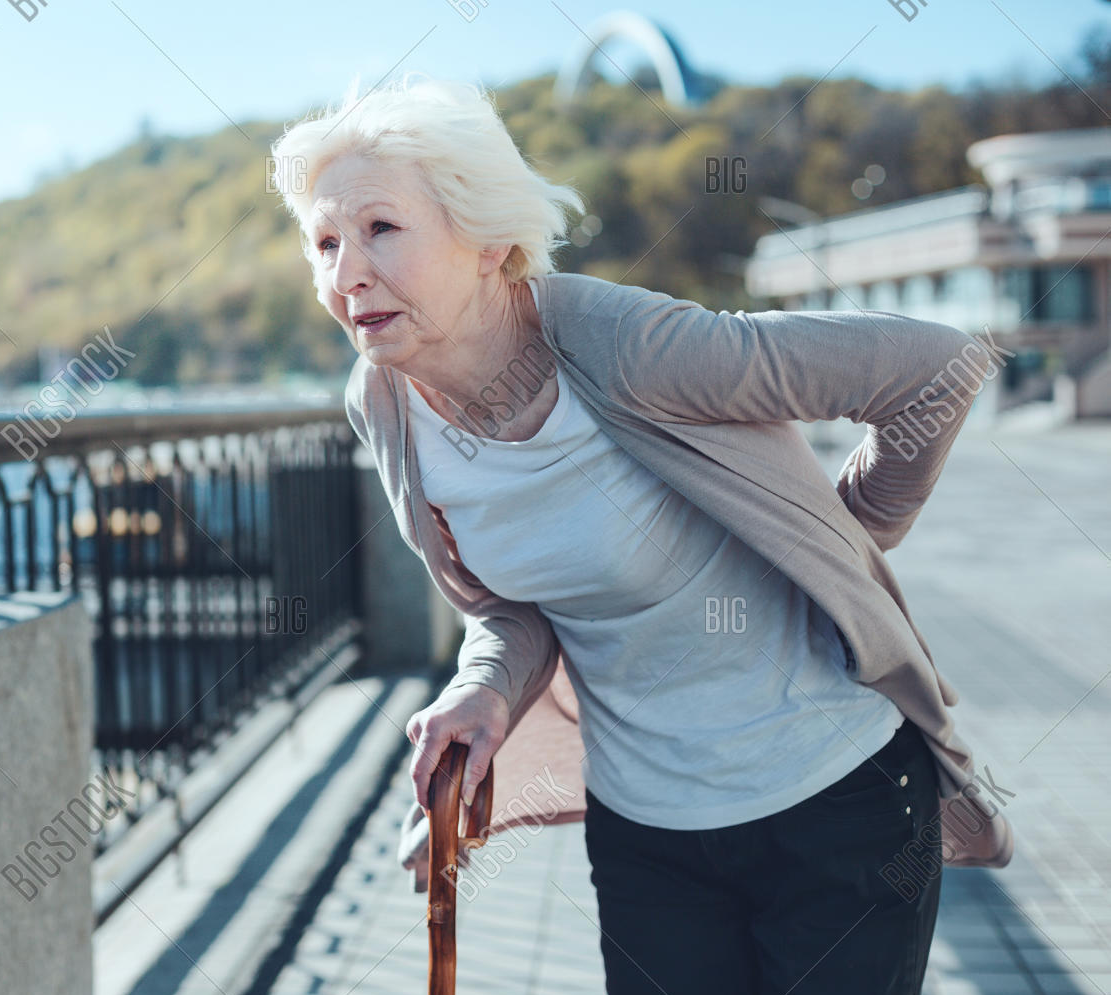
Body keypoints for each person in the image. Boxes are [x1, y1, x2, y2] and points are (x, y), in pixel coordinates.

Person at [267, 72, 1012, 995]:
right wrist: (484, 690)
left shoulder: (624, 345)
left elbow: (933, 368)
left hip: (837, 799)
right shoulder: (383, 403)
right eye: (326, 243)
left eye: (381, 229)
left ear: (486, 238)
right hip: (648, 834)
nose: (347, 274)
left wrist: (853, 534)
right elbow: (510, 607)